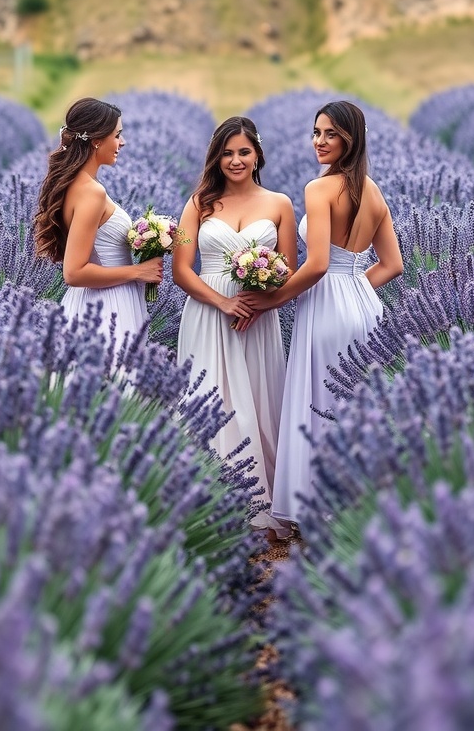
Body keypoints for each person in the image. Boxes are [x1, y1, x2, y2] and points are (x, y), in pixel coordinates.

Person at [240, 101, 403, 527]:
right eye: (316, 132)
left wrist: (272, 300)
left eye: (330, 134)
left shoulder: (319, 188)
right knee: (357, 405)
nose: (320, 141)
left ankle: (319, 511)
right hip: (365, 306)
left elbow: (315, 266)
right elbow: (392, 265)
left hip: (326, 304)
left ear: (351, 138)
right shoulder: (374, 191)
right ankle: (359, 505)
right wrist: (354, 289)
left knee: (319, 405)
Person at [173, 116, 298, 540]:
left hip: (258, 320)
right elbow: (181, 271)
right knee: (211, 401)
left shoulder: (280, 203)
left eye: (243, 151)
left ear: (257, 154)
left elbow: (289, 271)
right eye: (227, 153)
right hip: (208, 314)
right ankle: (211, 508)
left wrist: (260, 300)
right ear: (216, 157)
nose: (235, 160)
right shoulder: (198, 204)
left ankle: (262, 509)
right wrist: (224, 300)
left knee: (258, 402)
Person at [34, 97, 163, 355]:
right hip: (107, 307)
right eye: (117, 135)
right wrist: (138, 272)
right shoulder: (91, 193)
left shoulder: (77, 185)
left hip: (95, 302)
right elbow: (74, 272)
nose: (122, 143)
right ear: (96, 140)